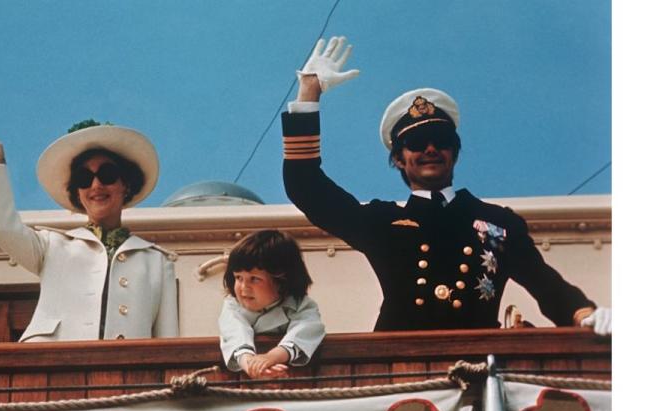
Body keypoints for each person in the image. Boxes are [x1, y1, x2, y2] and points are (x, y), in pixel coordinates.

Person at [280, 36, 612, 335]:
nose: (429, 149)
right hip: (397, 370)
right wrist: (309, 92)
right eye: (417, 142)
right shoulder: (382, 222)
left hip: (480, 371)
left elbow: (546, 285)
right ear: (399, 159)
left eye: (439, 140)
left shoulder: (499, 223)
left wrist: (583, 314)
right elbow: (306, 186)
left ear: (453, 152)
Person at [0, 118, 178, 341]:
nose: (96, 185)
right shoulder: (51, 246)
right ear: (78, 193)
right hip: (56, 370)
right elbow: (2, 228)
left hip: (131, 374)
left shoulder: (158, 262)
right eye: (84, 179)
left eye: (107, 175)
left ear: (126, 185)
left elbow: (169, 343)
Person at [219, 230, 325, 379]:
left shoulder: (301, 305)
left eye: (254, 279)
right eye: (238, 277)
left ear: (282, 281)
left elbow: (307, 329)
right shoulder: (233, 305)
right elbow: (234, 332)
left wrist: (273, 356)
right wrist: (250, 364)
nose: (244, 287)